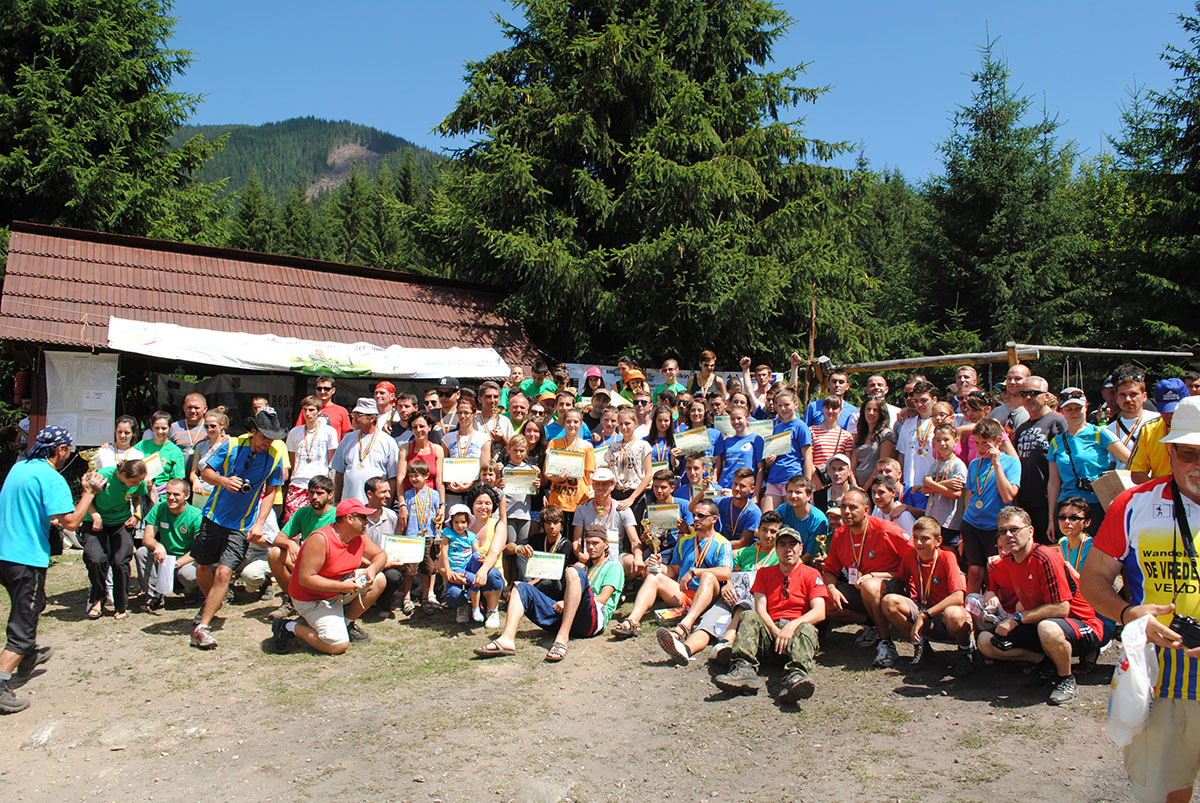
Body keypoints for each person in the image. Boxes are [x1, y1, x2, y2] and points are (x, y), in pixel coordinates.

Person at [1081, 394, 1200, 802]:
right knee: (1163, 793)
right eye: (1189, 454)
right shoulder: (1134, 504)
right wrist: (1129, 613)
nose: (1198, 465)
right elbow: (1093, 579)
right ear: (1170, 451)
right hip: (1161, 681)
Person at [0, 426, 106, 713]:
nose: (69, 455)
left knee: (35, 604)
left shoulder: (19, 468)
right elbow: (70, 522)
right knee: (23, 625)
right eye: (69, 450)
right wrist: (89, 493)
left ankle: (28, 655)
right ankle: (2, 681)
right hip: (25, 558)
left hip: (4, 553)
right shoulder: (51, 478)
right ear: (60, 450)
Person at [978, 506, 1101, 706]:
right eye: (1003, 531)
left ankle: (1065, 678)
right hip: (1040, 624)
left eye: (1014, 529)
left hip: (1081, 624)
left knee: (1047, 628)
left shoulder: (1045, 558)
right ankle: (1046, 663)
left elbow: (1062, 609)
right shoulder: (1008, 561)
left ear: (1030, 531)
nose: (1008, 535)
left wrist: (1017, 619)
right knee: (985, 641)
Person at [192, 409, 288, 650]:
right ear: (253, 431)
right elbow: (206, 472)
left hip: (241, 525)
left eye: (272, 438)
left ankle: (202, 627)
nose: (268, 442)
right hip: (213, 517)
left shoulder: (274, 457)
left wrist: (259, 523)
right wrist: (224, 481)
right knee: (202, 566)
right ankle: (211, 604)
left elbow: (270, 493)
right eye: (264, 436)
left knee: (224, 572)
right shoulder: (232, 445)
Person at [475, 524, 624, 662]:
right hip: (570, 617)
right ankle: (507, 639)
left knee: (573, 571)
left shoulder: (613, 566)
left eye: (595, 543)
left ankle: (562, 639)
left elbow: (603, 598)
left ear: (606, 544)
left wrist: (566, 602)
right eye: (588, 543)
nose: (591, 547)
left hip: (592, 621)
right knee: (521, 587)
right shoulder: (587, 567)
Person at [712, 525, 828, 703]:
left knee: (807, 628)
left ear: (801, 548)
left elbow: (819, 611)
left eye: (793, 544)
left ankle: (796, 677)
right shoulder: (764, 573)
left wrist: (792, 626)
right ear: (776, 549)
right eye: (782, 544)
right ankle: (744, 669)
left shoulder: (811, 574)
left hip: (796, 635)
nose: (788, 549)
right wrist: (775, 630)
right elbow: (760, 608)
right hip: (770, 633)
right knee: (749, 616)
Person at [659, 512, 783, 665]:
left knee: (743, 606)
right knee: (708, 622)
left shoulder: (780, 556)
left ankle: (724, 644)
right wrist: (727, 585)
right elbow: (732, 575)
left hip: (757, 600)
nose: (768, 535)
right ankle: (685, 649)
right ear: (758, 530)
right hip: (733, 596)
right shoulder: (744, 553)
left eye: (773, 532)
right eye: (764, 530)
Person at [269, 498, 387, 655]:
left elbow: (381, 555)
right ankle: (287, 627)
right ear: (349, 518)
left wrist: (372, 569)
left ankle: (347, 623)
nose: (367, 521)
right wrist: (342, 586)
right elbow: (306, 579)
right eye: (363, 517)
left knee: (379, 579)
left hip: (338, 591)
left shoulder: (359, 536)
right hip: (312, 599)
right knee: (338, 645)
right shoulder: (320, 539)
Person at [611, 497, 732, 638]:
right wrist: (659, 566)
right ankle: (632, 621)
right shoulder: (685, 541)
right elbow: (674, 571)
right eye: (694, 515)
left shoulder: (723, 543)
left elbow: (726, 572)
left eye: (701, 515)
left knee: (708, 576)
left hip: (708, 596)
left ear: (714, 519)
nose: (696, 519)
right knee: (653, 577)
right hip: (684, 593)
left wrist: (694, 572)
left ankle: (685, 626)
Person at [821, 488, 910, 667]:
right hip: (860, 588)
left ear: (866, 510)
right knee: (822, 600)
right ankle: (872, 623)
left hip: (894, 588)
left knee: (870, 585)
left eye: (853, 507)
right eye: (843, 507)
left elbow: (914, 559)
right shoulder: (840, 535)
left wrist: (878, 575)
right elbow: (830, 570)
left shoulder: (886, 530)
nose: (846, 512)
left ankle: (886, 642)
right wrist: (831, 588)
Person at [880, 516, 972, 675]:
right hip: (923, 608)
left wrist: (926, 615)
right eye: (915, 538)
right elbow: (899, 581)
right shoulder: (911, 555)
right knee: (889, 601)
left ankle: (965, 652)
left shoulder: (947, 557)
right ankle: (921, 647)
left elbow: (958, 597)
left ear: (938, 541)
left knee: (955, 614)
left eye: (925, 539)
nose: (919, 543)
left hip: (943, 615)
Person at [1046, 387, 1130, 533]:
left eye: (1078, 408)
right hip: (1067, 507)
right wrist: (1051, 519)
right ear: (1062, 411)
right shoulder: (1056, 442)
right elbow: (1054, 483)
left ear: (1086, 407)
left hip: (1096, 503)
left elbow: (1130, 459)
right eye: (1069, 409)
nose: (1074, 413)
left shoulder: (1099, 433)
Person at [960, 417, 1022, 595]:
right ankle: (970, 605)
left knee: (994, 570)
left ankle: (993, 606)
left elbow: (1008, 495)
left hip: (995, 527)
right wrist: (963, 529)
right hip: (971, 523)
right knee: (974, 570)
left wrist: (997, 464)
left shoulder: (1012, 463)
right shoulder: (974, 464)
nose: (980, 448)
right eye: (977, 443)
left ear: (998, 441)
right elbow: (970, 495)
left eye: (985, 443)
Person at [82, 457, 149, 620]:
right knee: (96, 559)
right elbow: (86, 496)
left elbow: (137, 496)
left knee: (120, 561)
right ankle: (98, 598)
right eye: (134, 481)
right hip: (96, 521)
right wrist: (95, 515)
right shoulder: (102, 476)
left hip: (120, 522)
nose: (138, 484)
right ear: (124, 475)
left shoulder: (138, 482)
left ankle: (121, 605)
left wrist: (137, 515)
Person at [266, 475, 337, 613]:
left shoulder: (337, 516)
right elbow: (278, 539)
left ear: (330, 495)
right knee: (274, 554)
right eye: (311, 493)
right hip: (305, 562)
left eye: (319, 493)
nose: (314, 497)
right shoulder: (303, 512)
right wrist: (290, 544)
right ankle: (292, 598)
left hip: (328, 565)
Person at [1012, 376, 1068, 544]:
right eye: (1024, 394)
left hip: (1050, 501)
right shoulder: (1022, 428)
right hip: (1026, 501)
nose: (1028, 397)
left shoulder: (1057, 422)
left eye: (1034, 393)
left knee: (1053, 550)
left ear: (1046, 396)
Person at [135, 477, 201, 611]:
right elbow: (147, 538)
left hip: (186, 559)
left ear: (186, 496)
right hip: (165, 556)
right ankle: (153, 597)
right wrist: (157, 545)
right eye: (168, 493)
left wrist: (175, 564)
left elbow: (198, 550)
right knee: (142, 552)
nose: (171, 498)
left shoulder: (196, 516)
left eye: (176, 494)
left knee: (188, 574)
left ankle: (191, 591)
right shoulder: (159, 508)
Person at [572, 467, 640, 577]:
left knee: (631, 561)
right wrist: (581, 555)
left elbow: (634, 540)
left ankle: (623, 584)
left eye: (605, 484)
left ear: (612, 485)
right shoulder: (582, 509)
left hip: (616, 558)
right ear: (593, 485)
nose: (601, 487)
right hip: (590, 557)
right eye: (597, 484)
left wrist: (638, 556)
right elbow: (576, 540)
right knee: (573, 572)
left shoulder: (623, 509)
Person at [331, 398, 399, 504]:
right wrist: (336, 502)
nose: (354, 419)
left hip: (375, 506)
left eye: (359, 415)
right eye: (354, 414)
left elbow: (393, 478)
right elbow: (339, 473)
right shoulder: (348, 439)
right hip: (349, 502)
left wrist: (387, 506)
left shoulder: (388, 442)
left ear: (372, 418)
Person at [284, 395, 339, 521]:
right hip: (298, 482)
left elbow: (331, 459)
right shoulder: (294, 432)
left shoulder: (329, 431)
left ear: (319, 412)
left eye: (311, 410)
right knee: (293, 521)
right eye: (305, 410)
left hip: (319, 483)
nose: (308, 413)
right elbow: (292, 459)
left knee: (316, 521)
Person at [544, 408, 595, 532]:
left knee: (575, 536)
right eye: (568, 421)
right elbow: (546, 471)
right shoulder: (554, 444)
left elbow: (589, 476)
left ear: (581, 424)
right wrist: (556, 478)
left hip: (579, 499)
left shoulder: (587, 446)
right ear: (564, 423)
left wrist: (590, 495)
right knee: (557, 535)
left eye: (575, 422)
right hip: (558, 499)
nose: (572, 425)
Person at [1130, 377, 1189, 483]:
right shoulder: (1149, 429)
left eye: (1175, 410)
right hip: (1161, 489)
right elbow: (1137, 473)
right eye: (1166, 410)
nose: (1171, 415)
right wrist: (1159, 489)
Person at [761, 390, 813, 511]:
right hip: (774, 478)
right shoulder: (777, 427)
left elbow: (808, 457)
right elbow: (774, 452)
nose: (783, 409)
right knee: (768, 517)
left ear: (795, 405)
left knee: (792, 517)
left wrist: (807, 484)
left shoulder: (801, 426)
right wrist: (769, 460)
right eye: (779, 405)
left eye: (787, 405)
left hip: (792, 477)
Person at [895, 380, 938, 513]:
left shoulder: (940, 423)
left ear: (934, 400)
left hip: (931, 487)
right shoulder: (907, 424)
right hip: (910, 486)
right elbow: (902, 455)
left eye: (924, 400)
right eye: (916, 401)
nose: (919, 405)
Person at [921, 422, 967, 550]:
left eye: (946, 439)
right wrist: (945, 483)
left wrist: (931, 484)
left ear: (955, 441)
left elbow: (956, 494)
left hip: (949, 520)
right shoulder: (935, 465)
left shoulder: (958, 465)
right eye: (938, 440)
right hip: (933, 517)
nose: (942, 444)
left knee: (948, 553)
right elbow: (924, 490)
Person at [443, 394, 492, 508]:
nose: (462, 416)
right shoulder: (447, 439)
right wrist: (448, 482)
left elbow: (485, 467)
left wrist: (470, 484)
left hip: (474, 490)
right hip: (452, 490)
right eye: (460, 412)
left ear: (474, 414)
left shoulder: (483, 439)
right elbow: (442, 466)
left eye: (466, 413)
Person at [1105, 371, 1160, 470]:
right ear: (1116, 398)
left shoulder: (1158, 421)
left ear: (1144, 396)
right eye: (1123, 395)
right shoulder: (1109, 430)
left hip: (1152, 478)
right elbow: (1111, 465)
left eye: (1133, 394)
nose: (1128, 399)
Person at [774, 475, 829, 567]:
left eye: (798, 492)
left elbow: (809, 555)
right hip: (783, 559)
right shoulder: (783, 509)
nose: (793, 496)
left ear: (809, 496)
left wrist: (787, 568)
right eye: (790, 492)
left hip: (803, 565)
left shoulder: (819, 520)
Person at [133, 410, 186, 501]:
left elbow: (177, 480)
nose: (160, 431)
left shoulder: (175, 452)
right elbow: (127, 461)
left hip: (163, 497)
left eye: (164, 428)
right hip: (140, 493)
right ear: (152, 427)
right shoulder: (141, 446)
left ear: (170, 428)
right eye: (157, 428)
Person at [705, 467, 761, 549]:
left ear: (752, 489)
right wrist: (704, 490)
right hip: (724, 545)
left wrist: (715, 546)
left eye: (742, 486)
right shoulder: (723, 502)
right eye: (735, 484)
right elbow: (694, 508)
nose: (737, 488)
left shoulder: (753, 512)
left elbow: (743, 543)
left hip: (743, 550)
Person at [713, 404, 764, 492]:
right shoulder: (727, 441)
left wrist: (756, 494)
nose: (736, 422)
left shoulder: (756, 439)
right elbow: (724, 465)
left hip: (743, 489)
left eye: (739, 418)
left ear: (747, 420)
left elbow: (761, 469)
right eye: (733, 419)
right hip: (725, 487)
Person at [398, 411, 446, 501]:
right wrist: (402, 503)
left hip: (431, 499)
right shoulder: (405, 449)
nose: (418, 430)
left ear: (429, 427)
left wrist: (442, 503)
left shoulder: (437, 450)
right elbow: (401, 478)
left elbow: (439, 480)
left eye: (421, 426)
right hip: (410, 499)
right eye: (414, 427)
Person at [810, 396, 855, 491]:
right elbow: (809, 460)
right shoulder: (812, 431)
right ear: (823, 409)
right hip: (816, 482)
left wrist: (854, 484)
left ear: (840, 410)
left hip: (837, 483)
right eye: (827, 407)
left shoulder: (846, 436)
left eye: (834, 408)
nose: (830, 411)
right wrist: (818, 483)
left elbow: (848, 464)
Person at [853, 397, 896, 488]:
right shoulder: (859, 437)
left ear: (881, 413)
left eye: (875, 410)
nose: (871, 413)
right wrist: (854, 485)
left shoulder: (886, 434)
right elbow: (853, 465)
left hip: (876, 487)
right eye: (868, 409)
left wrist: (866, 487)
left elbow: (882, 464)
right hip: (857, 487)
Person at [990, 363, 1032, 434]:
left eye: (1018, 378)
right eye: (1009, 379)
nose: (1012, 382)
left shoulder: (1033, 412)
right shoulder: (995, 413)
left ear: (1028, 381)